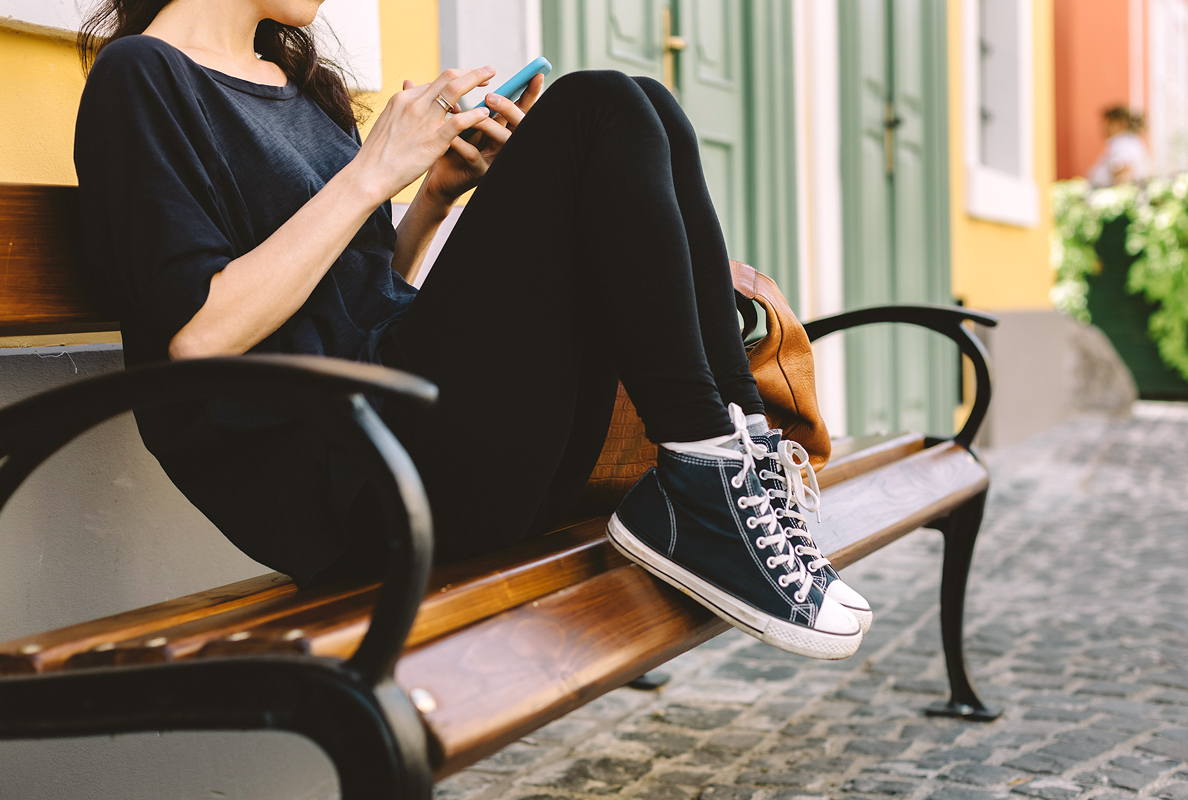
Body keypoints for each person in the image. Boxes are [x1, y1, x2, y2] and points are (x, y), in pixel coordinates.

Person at [73, 0, 871, 660]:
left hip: (418, 437)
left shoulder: (298, 84)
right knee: (597, 107)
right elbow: (198, 336)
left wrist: (431, 201)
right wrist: (374, 172)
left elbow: (362, 296)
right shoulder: (140, 79)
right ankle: (702, 483)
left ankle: (735, 456)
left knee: (643, 103)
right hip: (359, 492)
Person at [1088, 105, 1150, 187]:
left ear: (1120, 124)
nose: (1104, 127)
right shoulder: (1129, 141)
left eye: (1108, 122)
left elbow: (1123, 175)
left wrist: (1115, 196)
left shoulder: (1122, 144)